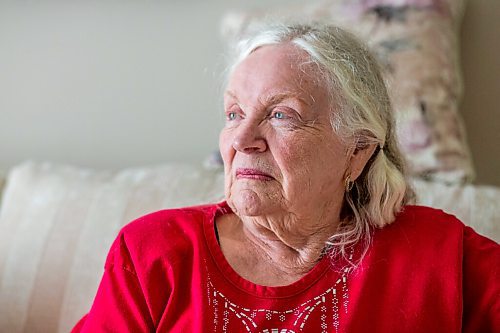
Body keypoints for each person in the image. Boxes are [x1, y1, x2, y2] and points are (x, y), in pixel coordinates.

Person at [72, 23, 499, 332]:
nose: (241, 138)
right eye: (234, 113)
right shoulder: (153, 254)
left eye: (281, 115)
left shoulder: (439, 256)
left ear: (357, 152)